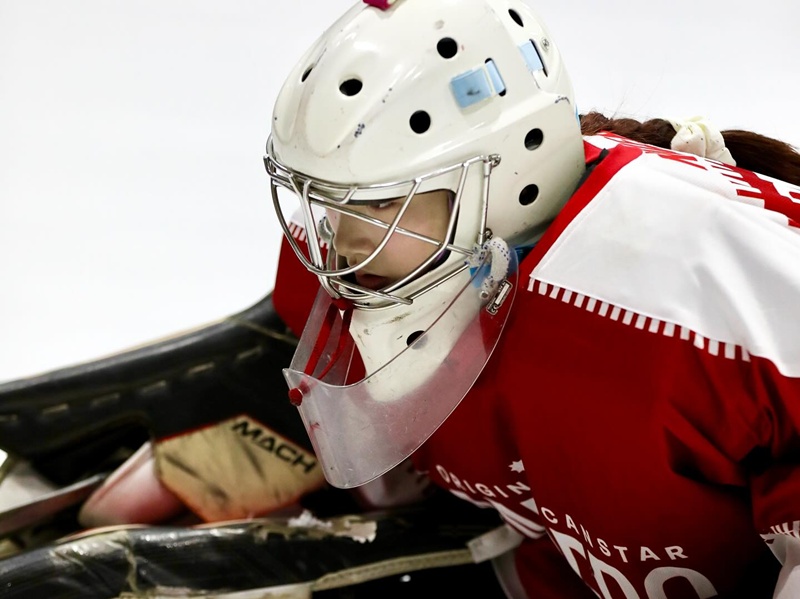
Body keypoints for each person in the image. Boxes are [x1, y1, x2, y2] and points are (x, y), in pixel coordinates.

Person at [261, 0, 800, 597]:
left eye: (380, 201)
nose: (342, 240)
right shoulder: (351, 268)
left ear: (509, 175)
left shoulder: (688, 280)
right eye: (324, 199)